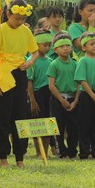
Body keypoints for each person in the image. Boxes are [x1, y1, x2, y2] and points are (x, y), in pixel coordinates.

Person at [0, 0, 38, 167]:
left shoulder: (26, 31)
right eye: (17, 18)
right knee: (3, 116)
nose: (20, 22)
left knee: (20, 115)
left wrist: (30, 62)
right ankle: (3, 157)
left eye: (23, 19)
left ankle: (20, 157)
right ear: (8, 14)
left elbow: (35, 52)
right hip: (3, 73)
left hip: (20, 72)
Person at [46, 33, 80, 158]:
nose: (65, 48)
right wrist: (61, 100)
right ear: (55, 49)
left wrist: (75, 101)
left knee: (73, 126)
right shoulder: (54, 64)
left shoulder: (75, 64)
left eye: (68, 45)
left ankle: (72, 151)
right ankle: (61, 151)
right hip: (58, 99)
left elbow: (79, 83)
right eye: (62, 46)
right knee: (58, 125)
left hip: (73, 98)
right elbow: (51, 85)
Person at [27, 29, 53, 157]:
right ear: (36, 44)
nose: (47, 48)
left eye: (49, 45)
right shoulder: (31, 61)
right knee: (37, 124)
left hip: (49, 93)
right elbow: (29, 82)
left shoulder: (50, 61)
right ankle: (38, 152)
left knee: (48, 123)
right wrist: (32, 100)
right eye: (45, 45)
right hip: (37, 94)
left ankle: (46, 152)